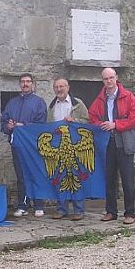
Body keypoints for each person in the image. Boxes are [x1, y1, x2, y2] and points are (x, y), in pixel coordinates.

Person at [89, 68, 135, 225]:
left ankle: (130, 213)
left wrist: (115, 124)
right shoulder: (99, 99)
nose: (109, 81)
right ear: (102, 81)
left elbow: (134, 118)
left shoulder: (128, 96)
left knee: (127, 180)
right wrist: (102, 125)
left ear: (116, 78)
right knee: (109, 179)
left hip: (124, 143)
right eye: (105, 79)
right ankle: (111, 211)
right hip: (107, 144)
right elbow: (92, 117)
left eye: (111, 77)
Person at [1, 73, 47, 217]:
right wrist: (9, 126)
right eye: (22, 82)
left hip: (33, 145)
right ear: (20, 84)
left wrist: (23, 125)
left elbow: (41, 124)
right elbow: (4, 122)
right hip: (17, 145)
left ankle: (39, 204)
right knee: (21, 175)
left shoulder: (39, 102)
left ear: (32, 84)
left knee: (35, 173)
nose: (25, 84)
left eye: (28, 81)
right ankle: (23, 205)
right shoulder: (12, 103)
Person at [47, 78, 89, 221]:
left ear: (68, 87)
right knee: (60, 179)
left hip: (74, 148)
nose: (59, 89)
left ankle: (79, 209)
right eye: (56, 87)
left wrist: (75, 122)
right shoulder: (51, 107)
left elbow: (87, 122)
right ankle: (61, 209)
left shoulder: (78, 104)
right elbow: (47, 127)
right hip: (59, 148)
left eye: (62, 86)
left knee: (76, 178)